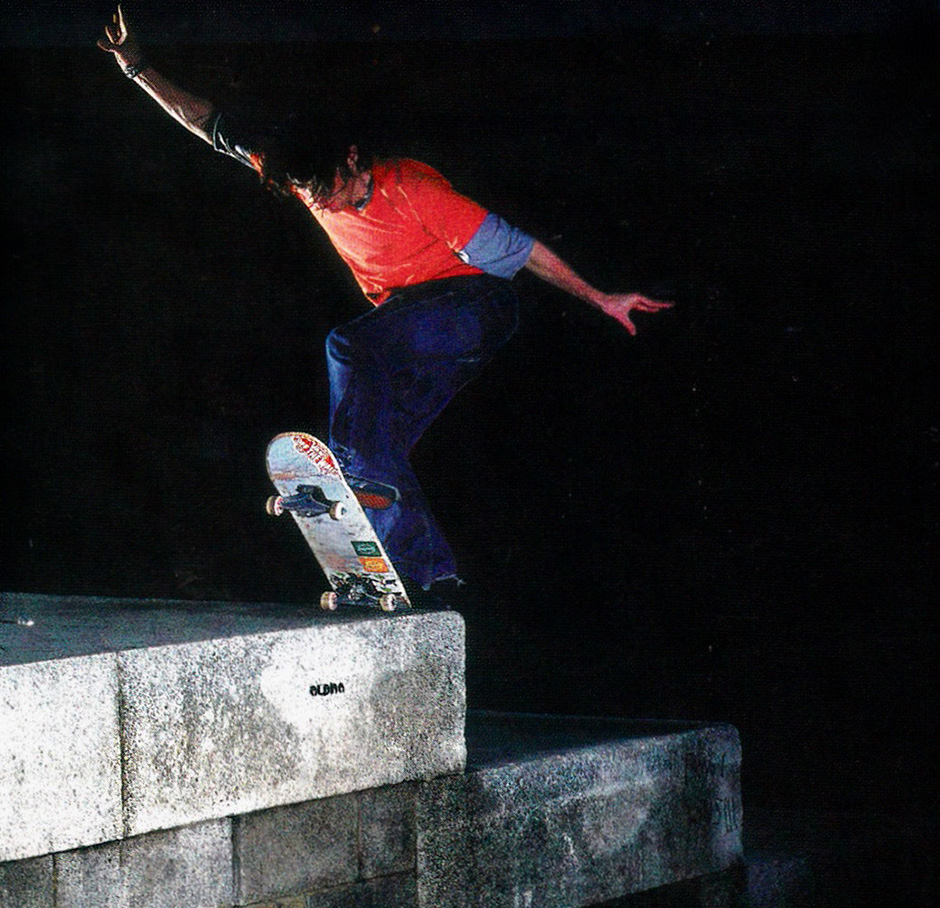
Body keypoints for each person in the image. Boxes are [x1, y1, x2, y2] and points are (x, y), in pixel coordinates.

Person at [99, 6, 672, 599]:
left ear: (351, 157)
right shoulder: (304, 175)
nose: (335, 204)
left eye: (339, 188)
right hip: (412, 330)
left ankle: (351, 471)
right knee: (380, 455)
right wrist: (138, 68)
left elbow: (521, 250)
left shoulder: (415, 190)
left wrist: (600, 297)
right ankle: (425, 576)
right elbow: (207, 123)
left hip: (472, 307)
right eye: (320, 197)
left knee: (347, 346)